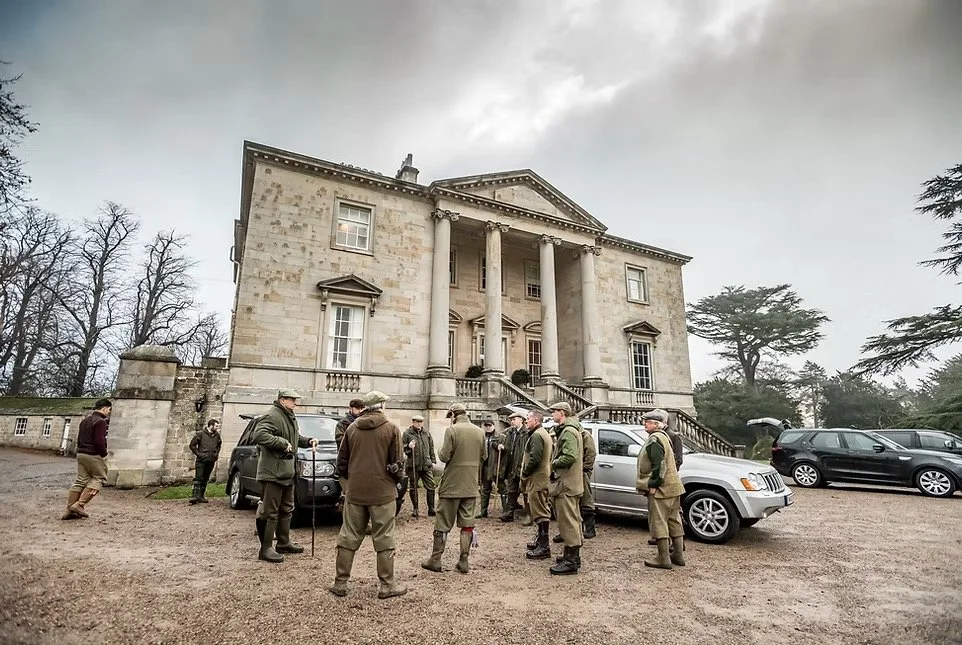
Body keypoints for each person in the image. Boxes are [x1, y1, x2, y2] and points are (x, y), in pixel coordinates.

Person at [329, 391, 407, 599]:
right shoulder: (391, 428)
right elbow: (398, 464)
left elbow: (341, 463)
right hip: (382, 492)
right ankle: (387, 585)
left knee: (348, 535)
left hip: (355, 491)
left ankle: (340, 583)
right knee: (384, 536)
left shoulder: (352, 428)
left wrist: (352, 482)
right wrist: (397, 481)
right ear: (381, 405)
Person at [252, 389, 317, 563]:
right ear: (282, 400)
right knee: (270, 512)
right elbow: (258, 435)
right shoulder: (272, 415)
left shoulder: (289, 416)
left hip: (287, 471)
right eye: (292, 399)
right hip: (272, 472)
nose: (296, 402)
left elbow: (294, 438)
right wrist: (281, 444)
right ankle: (265, 549)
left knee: (287, 508)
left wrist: (308, 440)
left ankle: (284, 542)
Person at [421, 402, 485, 574]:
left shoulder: (452, 431)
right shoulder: (480, 432)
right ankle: (464, 561)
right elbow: (483, 456)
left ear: (454, 415)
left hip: (451, 485)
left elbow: (443, 456)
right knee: (467, 524)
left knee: (443, 522)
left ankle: (435, 560)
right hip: (470, 485)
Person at [636, 408, 686, 569]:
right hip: (674, 487)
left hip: (662, 489)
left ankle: (663, 558)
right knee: (674, 520)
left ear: (656, 424)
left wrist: (653, 484)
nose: (645, 424)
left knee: (659, 522)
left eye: (648, 422)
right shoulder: (665, 437)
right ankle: (678, 555)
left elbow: (659, 465)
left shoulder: (654, 440)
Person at [546, 401, 584, 576]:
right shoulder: (571, 430)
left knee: (568, 522)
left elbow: (569, 456)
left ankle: (571, 561)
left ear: (562, 413)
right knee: (572, 520)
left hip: (567, 484)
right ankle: (572, 556)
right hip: (572, 483)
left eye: (554, 412)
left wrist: (553, 463)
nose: (552, 414)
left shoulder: (568, 431)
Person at [62, 398, 112, 520]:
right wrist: (104, 453)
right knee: (99, 478)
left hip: (81, 453)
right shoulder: (100, 421)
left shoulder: (85, 420)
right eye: (109, 410)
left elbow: (79, 438)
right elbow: (99, 441)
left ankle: (70, 510)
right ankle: (79, 505)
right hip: (93, 454)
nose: (109, 413)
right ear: (104, 408)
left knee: (81, 480)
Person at [553, 419, 598, 542]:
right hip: (570, 472)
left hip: (580, 472)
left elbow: (591, 453)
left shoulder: (584, 435)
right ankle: (566, 532)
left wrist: (585, 469)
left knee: (586, 499)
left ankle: (589, 528)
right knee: (568, 504)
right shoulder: (566, 432)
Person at [521, 409, 553, 560]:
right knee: (541, 510)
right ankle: (541, 541)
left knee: (540, 511)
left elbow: (535, 458)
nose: (526, 421)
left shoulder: (537, 436)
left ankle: (544, 547)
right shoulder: (542, 434)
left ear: (536, 421)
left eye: (528, 418)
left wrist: (526, 472)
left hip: (537, 479)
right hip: (541, 477)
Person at [402, 414, 437, 517]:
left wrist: (433, 460)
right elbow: (403, 448)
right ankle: (415, 509)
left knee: (431, 486)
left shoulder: (427, 433)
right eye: (417, 422)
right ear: (413, 422)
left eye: (420, 422)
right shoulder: (407, 434)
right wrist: (408, 447)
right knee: (413, 487)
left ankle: (431, 508)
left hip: (426, 465)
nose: (419, 424)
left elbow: (431, 447)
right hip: (413, 465)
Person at [499, 412, 527, 522]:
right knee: (511, 490)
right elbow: (509, 447)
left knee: (525, 491)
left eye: (514, 419)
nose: (512, 421)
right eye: (511, 419)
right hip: (511, 465)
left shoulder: (526, 433)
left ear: (521, 419)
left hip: (521, 466)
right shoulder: (510, 432)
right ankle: (510, 513)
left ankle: (528, 513)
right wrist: (502, 447)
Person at [188, 419, 222, 505]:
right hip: (201, 460)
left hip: (211, 460)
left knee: (206, 478)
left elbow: (219, 445)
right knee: (198, 477)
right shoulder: (201, 434)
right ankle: (195, 496)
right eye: (216, 426)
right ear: (211, 426)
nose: (217, 428)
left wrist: (215, 454)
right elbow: (192, 445)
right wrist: (199, 454)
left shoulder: (217, 435)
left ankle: (201, 496)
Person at [476, 418, 503, 518]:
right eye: (486, 426)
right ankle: (483, 511)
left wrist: (501, 447)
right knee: (485, 489)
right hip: (485, 466)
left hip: (496, 465)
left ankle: (506, 512)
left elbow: (505, 452)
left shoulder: (500, 437)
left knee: (502, 488)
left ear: (493, 426)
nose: (488, 428)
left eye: (489, 426)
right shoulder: (482, 437)